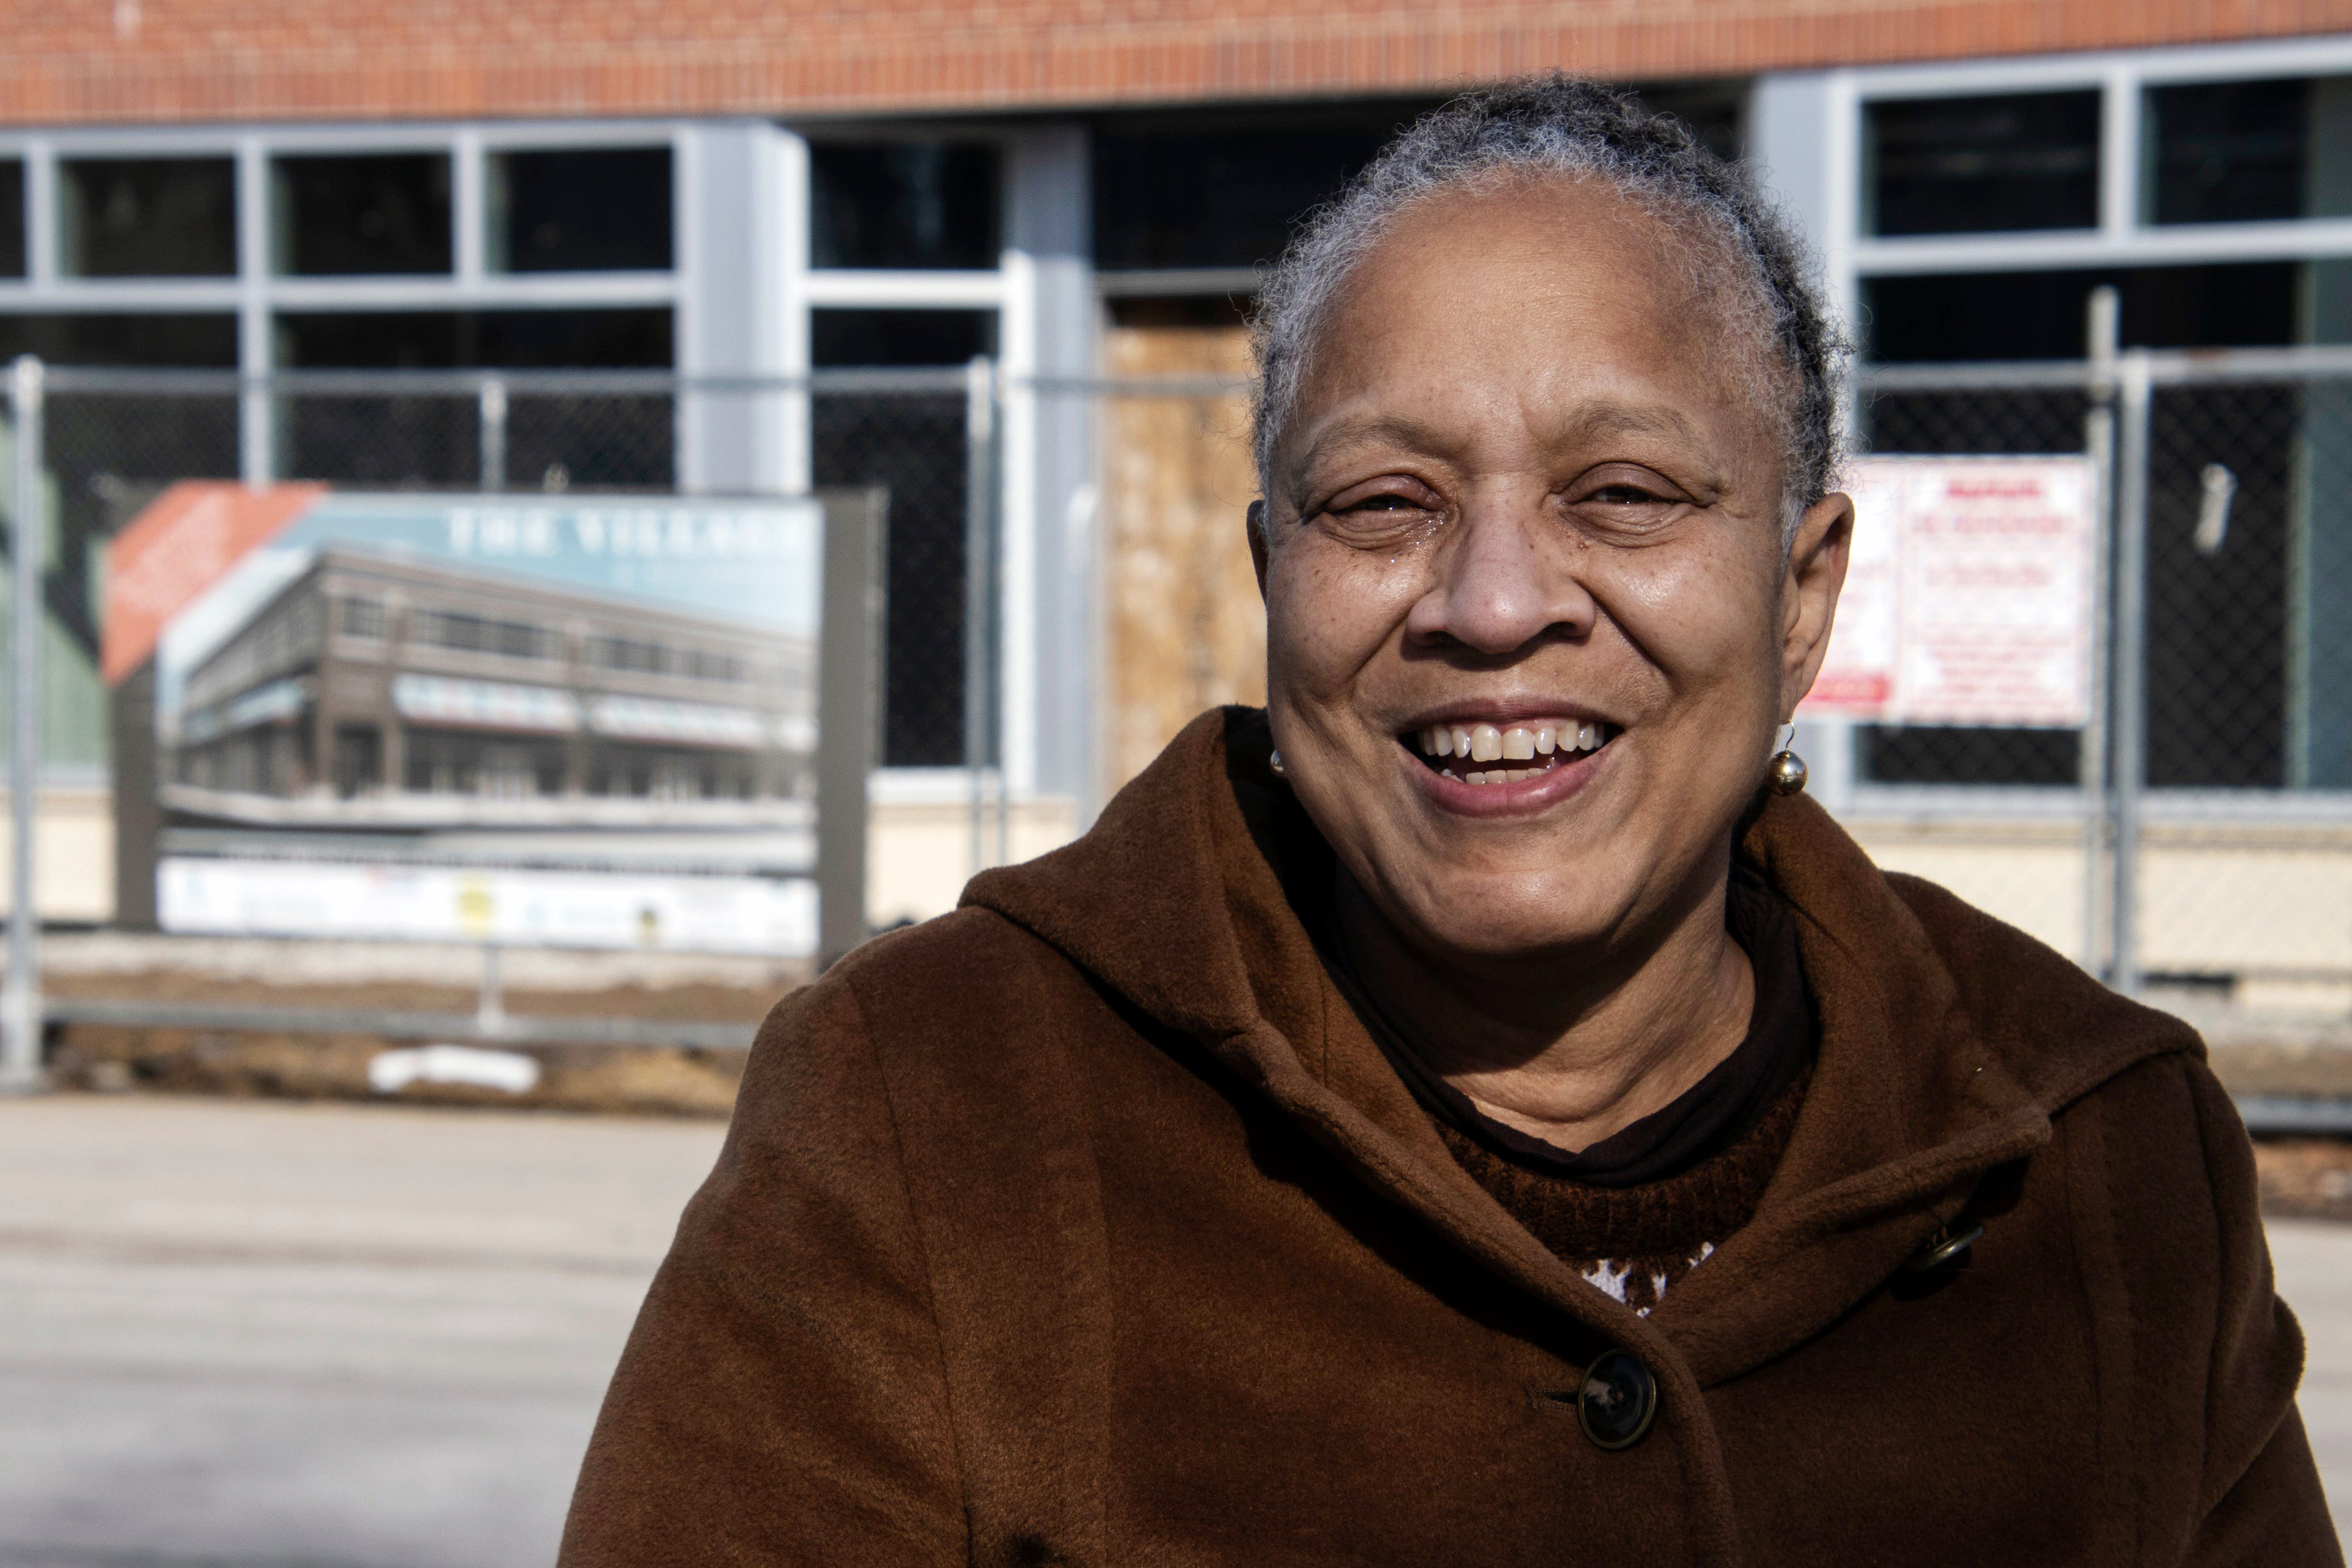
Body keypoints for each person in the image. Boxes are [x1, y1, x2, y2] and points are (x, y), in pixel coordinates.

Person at [559, 78, 2338, 1565]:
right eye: (1382, 502)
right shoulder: (928, 1117)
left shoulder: (2100, 1160)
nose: (1493, 604)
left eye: (1622, 493)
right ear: (1273, 577)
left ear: (1802, 596)